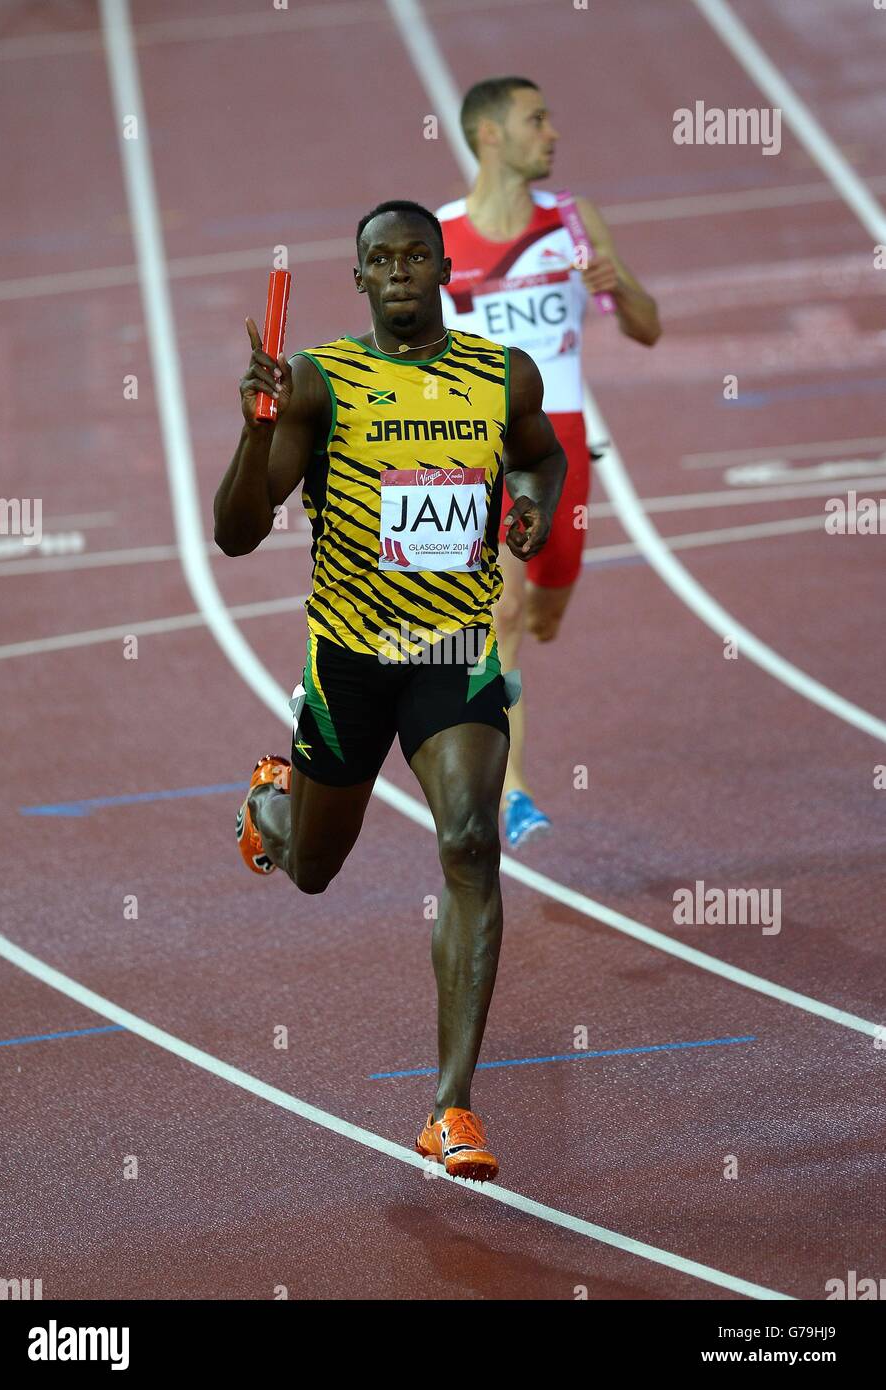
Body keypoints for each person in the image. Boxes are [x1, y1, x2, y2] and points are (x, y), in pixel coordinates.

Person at [213, 200, 567, 1181]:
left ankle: (450, 1107)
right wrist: (255, 432)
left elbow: (541, 453)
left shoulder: (502, 376)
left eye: (417, 253)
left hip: (454, 653)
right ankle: (268, 802)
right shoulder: (324, 380)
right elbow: (237, 533)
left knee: (467, 840)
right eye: (381, 258)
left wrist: (530, 505)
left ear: (444, 266)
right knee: (312, 869)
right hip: (351, 663)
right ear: (360, 278)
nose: (401, 269)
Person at [436, 77, 661, 847]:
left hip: (562, 443)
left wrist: (617, 284)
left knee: (545, 614)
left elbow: (647, 329)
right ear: (490, 135)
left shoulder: (572, 222)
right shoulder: (438, 238)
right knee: (498, 613)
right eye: (537, 119)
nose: (553, 132)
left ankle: (507, 709)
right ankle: (515, 793)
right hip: (481, 446)